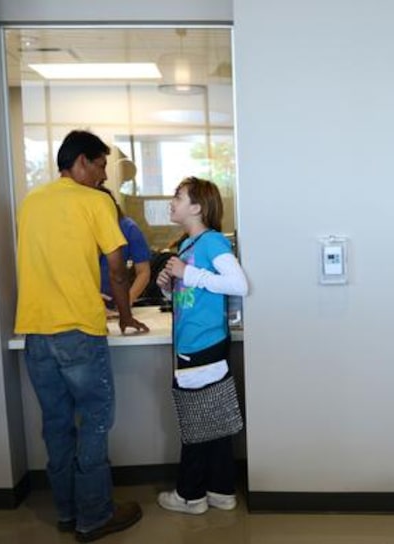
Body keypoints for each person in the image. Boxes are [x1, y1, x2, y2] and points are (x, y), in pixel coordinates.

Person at [14, 130, 149, 542]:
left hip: (36, 332)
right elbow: (118, 267)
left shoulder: (31, 201)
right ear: (81, 162)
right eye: (101, 164)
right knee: (93, 422)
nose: (105, 173)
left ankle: (68, 513)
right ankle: (95, 516)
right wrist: (125, 316)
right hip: (78, 330)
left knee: (56, 425)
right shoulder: (93, 202)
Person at [155, 177, 249, 515]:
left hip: (201, 345)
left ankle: (190, 495)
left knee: (195, 422)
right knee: (214, 420)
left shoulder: (209, 243)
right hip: (197, 344)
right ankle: (221, 491)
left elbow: (239, 284)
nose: (172, 202)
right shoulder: (187, 246)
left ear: (196, 207)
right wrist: (169, 285)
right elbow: (189, 296)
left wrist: (188, 274)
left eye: (178, 197)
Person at [95, 186, 151, 310]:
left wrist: (125, 303)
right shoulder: (77, 229)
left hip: (116, 302)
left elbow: (143, 272)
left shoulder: (128, 228)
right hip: (84, 303)